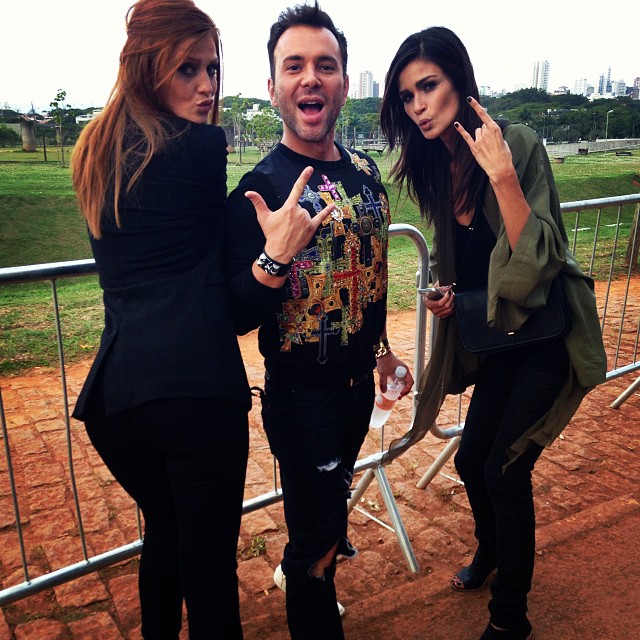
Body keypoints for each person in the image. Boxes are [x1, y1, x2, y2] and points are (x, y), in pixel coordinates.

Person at [70, 0, 331, 637]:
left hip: (117, 401)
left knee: (164, 540)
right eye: (186, 69)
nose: (207, 86)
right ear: (147, 69)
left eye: (211, 68)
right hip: (194, 397)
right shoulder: (198, 148)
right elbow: (224, 300)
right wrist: (275, 254)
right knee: (210, 577)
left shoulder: (96, 149)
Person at [380, 27, 606, 640]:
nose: (418, 105)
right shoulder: (435, 166)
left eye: (428, 86)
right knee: (472, 458)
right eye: (406, 96)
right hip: (499, 340)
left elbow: (535, 264)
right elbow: (470, 262)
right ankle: (491, 550)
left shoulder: (518, 145)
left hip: (546, 340)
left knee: (505, 469)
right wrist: (451, 294)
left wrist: (503, 177)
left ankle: (510, 617)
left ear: (460, 81)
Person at [224, 3, 413, 638]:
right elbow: (237, 314)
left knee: (325, 518)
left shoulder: (366, 174)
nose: (311, 77)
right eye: (294, 66)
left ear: (343, 82)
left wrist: (383, 352)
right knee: (319, 547)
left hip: (359, 392)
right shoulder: (258, 191)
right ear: (272, 85)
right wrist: (274, 256)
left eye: (325, 65)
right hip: (302, 399)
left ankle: (306, 564)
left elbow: (371, 277)